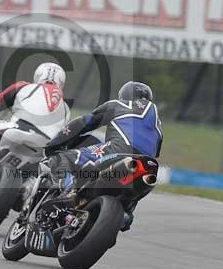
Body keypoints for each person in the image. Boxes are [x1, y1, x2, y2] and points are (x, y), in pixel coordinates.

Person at [42, 81, 162, 231]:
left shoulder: (119, 104)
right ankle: (125, 215)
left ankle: (68, 191)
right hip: (148, 166)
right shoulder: (157, 125)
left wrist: (55, 143)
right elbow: (155, 151)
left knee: (62, 158)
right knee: (132, 199)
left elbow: (83, 123)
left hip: (117, 152)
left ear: (124, 95)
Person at [0, 62, 69, 209]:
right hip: (44, 147)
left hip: (16, 131)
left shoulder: (24, 86)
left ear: (38, 76)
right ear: (62, 82)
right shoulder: (66, 108)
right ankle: (29, 187)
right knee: (42, 170)